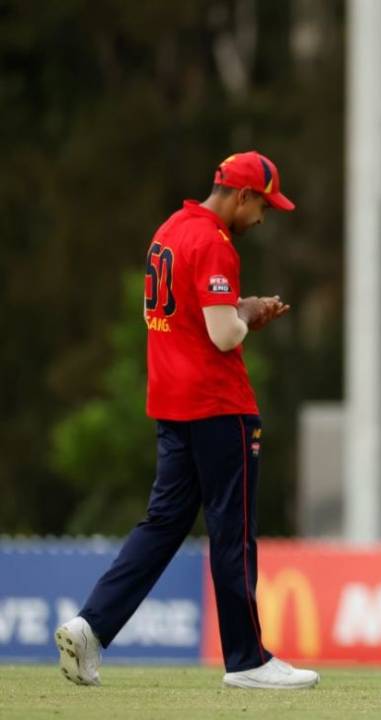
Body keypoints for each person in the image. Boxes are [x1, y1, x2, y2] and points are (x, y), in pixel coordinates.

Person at [55, 151, 318, 690]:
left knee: (162, 525)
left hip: (172, 404)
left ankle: (90, 627)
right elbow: (223, 335)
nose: (263, 218)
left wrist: (239, 308)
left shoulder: (170, 230)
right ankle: (247, 661)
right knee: (232, 532)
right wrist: (247, 313)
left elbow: (179, 316)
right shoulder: (214, 242)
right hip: (219, 407)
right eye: (264, 206)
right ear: (242, 195)